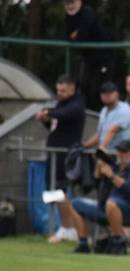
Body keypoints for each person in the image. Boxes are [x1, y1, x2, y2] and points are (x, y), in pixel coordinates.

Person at [69, 140, 130, 255]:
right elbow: (94, 184)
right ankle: (83, 244)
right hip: (105, 208)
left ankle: (118, 243)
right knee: (75, 204)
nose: (121, 154)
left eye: (124, 151)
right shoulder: (114, 166)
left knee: (111, 203)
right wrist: (98, 170)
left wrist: (111, 176)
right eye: (119, 151)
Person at [35, 74, 86, 244]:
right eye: (58, 90)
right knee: (52, 190)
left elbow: (65, 114)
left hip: (66, 155)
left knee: (61, 190)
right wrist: (46, 120)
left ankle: (76, 229)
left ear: (72, 88)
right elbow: (55, 125)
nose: (60, 93)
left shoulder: (77, 104)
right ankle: (66, 228)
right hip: (54, 152)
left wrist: (48, 112)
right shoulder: (61, 104)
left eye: (63, 90)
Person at [63, 0, 114, 111]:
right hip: (88, 57)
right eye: (67, 3)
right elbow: (67, 36)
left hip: (104, 57)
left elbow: (81, 35)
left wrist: (76, 35)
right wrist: (75, 35)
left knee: (100, 87)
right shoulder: (68, 16)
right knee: (83, 85)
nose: (70, 6)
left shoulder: (87, 12)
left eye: (72, 2)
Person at [83, 81, 130, 153]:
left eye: (110, 93)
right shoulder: (104, 110)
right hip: (108, 153)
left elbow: (112, 131)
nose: (106, 95)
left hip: (122, 155)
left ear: (116, 94)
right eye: (104, 93)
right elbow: (100, 135)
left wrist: (101, 149)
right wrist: (84, 146)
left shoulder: (124, 110)